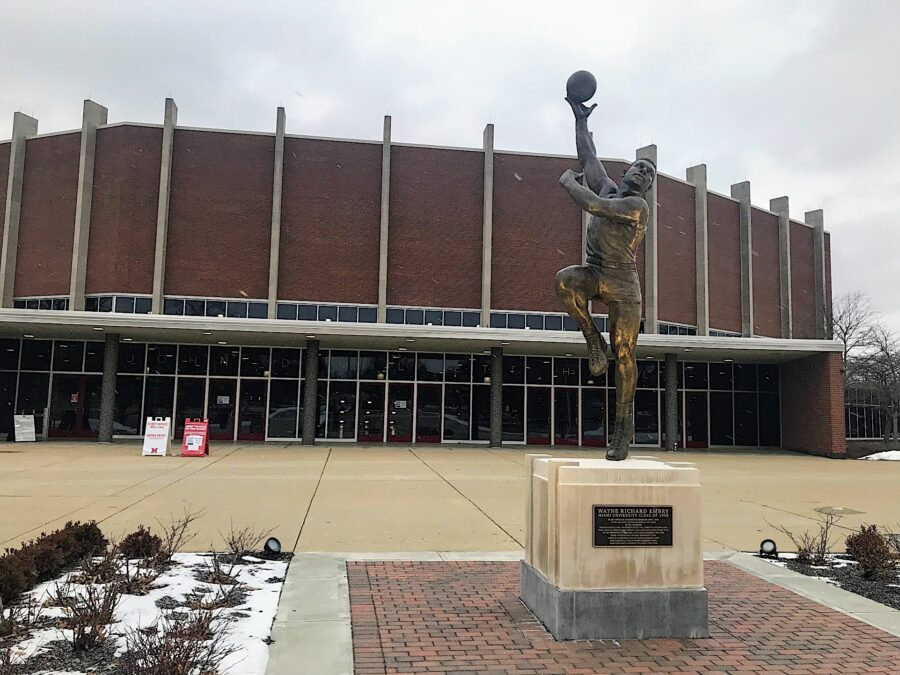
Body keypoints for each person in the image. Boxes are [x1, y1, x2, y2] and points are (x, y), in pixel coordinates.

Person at [555, 97, 656, 461]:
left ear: (647, 188)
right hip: (597, 275)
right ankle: (592, 340)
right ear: (627, 171)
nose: (643, 173)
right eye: (640, 167)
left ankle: (622, 430)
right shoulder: (609, 186)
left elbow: (596, 206)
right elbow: (588, 157)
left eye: (649, 174)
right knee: (564, 280)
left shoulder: (635, 207)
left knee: (625, 354)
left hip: (624, 288)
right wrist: (580, 122)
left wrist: (569, 184)